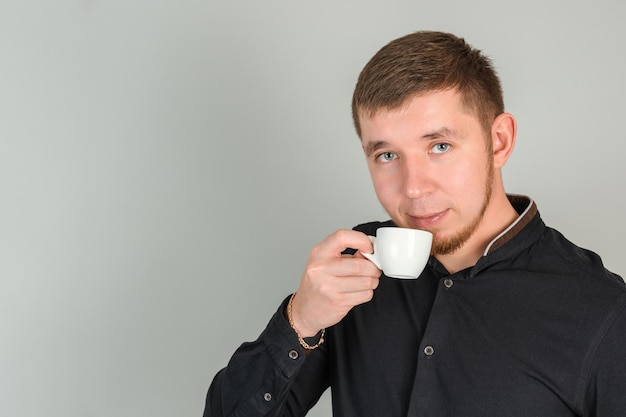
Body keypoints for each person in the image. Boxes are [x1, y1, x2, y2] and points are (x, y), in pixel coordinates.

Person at [203, 31, 626, 417]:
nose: (414, 188)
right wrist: (301, 321)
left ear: (499, 141)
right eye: (387, 155)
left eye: (439, 146)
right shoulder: (354, 269)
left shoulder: (604, 314)